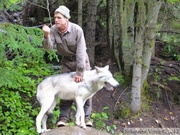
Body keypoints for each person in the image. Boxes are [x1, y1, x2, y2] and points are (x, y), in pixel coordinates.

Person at [42, 5, 93, 127]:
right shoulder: (53, 30)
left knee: (85, 89)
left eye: (59, 17)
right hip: (66, 62)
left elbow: (81, 52)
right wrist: (46, 36)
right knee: (64, 88)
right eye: (55, 17)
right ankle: (63, 118)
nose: (56, 20)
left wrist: (80, 72)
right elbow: (48, 48)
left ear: (66, 19)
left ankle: (86, 118)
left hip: (81, 61)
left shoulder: (77, 30)